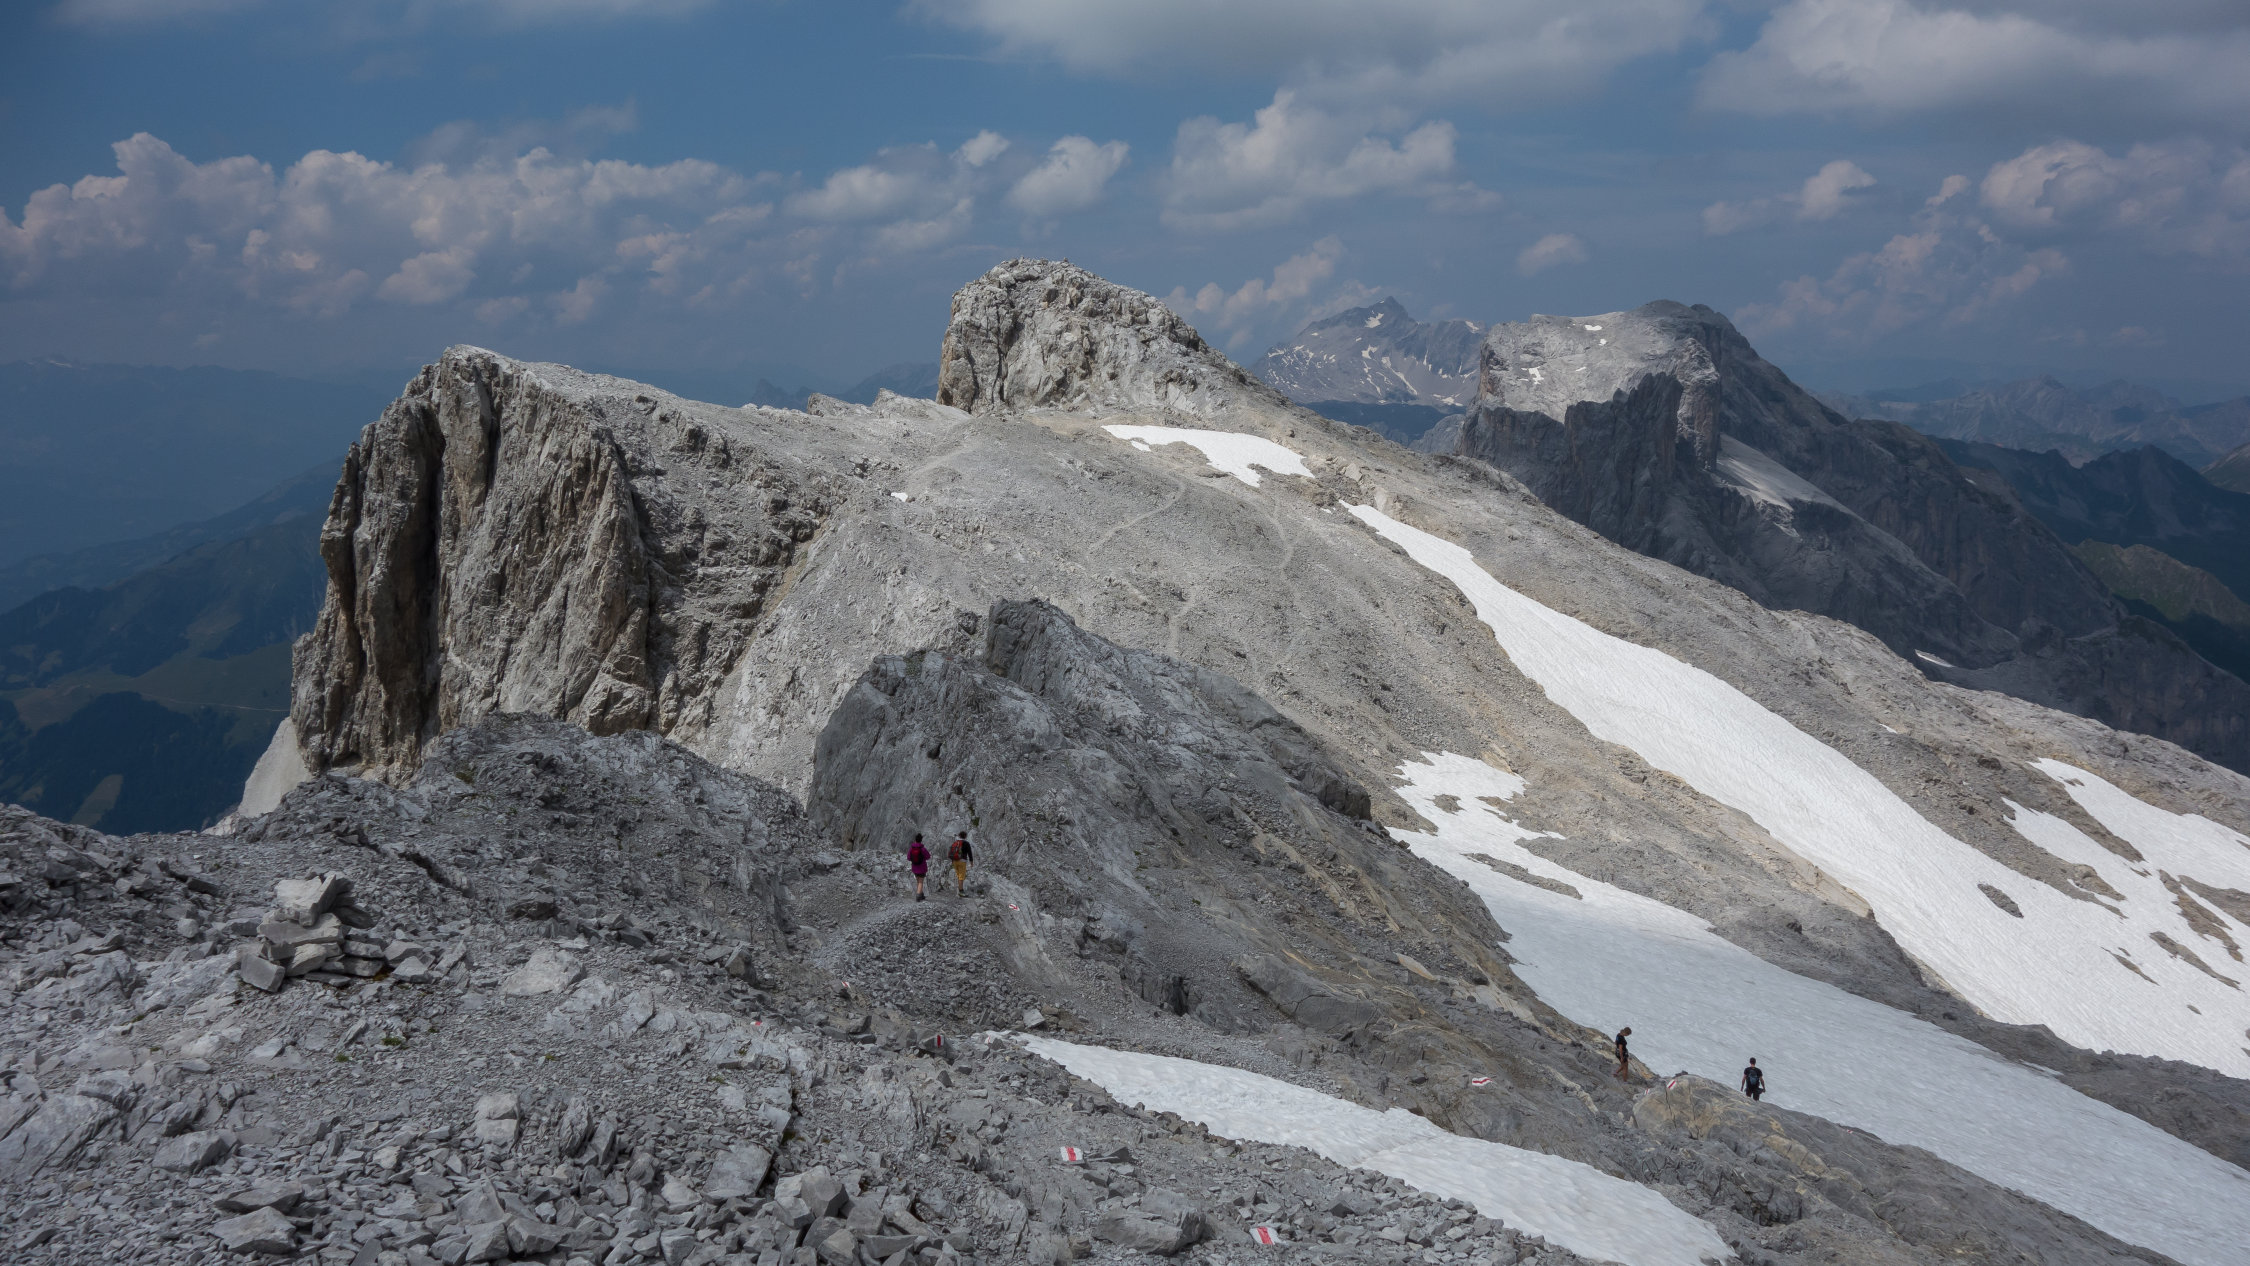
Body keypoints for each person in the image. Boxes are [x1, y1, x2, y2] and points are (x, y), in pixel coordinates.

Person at [948, 831, 974, 896]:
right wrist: (971, 862)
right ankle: (961, 891)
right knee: (961, 877)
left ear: (959, 835)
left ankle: (959, 889)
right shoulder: (966, 843)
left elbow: (952, 852)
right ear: (965, 836)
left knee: (958, 876)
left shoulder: (956, 842)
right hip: (962, 861)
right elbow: (970, 853)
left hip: (954, 861)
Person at [906, 833, 931, 901]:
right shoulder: (922, 849)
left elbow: (908, 858)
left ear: (915, 840)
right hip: (922, 868)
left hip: (914, 868)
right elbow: (928, 856)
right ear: (921, 840)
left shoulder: (912, 848)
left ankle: (921, 894)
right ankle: (918, 896)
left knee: (918, 881)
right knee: (921, 882)